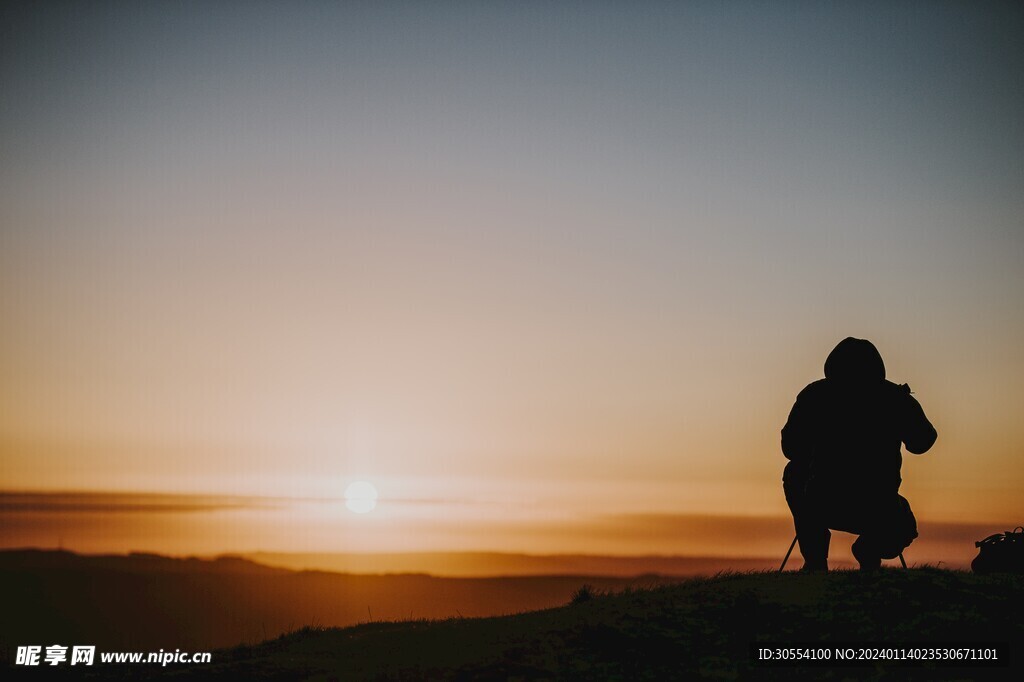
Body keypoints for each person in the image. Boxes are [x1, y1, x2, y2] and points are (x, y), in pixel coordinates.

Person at [781, 337, 937, 571]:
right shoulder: (893, 397)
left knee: (794, 473)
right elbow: (922, 442)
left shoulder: (815, 395)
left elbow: (791, 448)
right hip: (876, 503)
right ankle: (869, 550)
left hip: (823, 499)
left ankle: (815, 561)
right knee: (903, 524)